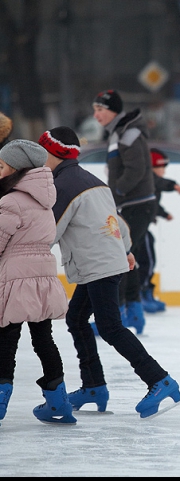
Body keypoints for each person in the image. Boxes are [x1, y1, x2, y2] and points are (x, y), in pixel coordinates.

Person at [40, 126, 180, 418]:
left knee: (110, 327)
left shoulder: (65, 185)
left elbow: (50, 231)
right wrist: (126, 250)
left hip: (99, 265)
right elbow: (117, 222)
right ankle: (93, 386)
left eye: (42, 151)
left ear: (55, 153)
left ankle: (159, 380)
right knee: (77, 319)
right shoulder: (91, 180)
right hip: (105, 261)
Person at [0, 139, 74, 425]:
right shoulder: (46, 202)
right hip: (43, 278)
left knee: (6, 340)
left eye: (2, 166)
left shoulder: (10, 201)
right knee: (44, 340)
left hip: (16, 280)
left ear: (17, 170)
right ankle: (59, 403)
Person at [92, 89, 155, 333]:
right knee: (127, 257)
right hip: (134, 203)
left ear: (113, 111)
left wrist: (115, 193)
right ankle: (133, 313)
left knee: (119, 257)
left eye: (100, 109)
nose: (96, 115)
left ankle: (114, 318)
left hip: (135, 204)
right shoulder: (120, 132)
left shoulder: (128, 132)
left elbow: (135, 169)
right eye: (94, 110)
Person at [137, 148, 180, 313]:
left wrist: (163, 214)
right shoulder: (147, 179)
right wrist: (173, 185)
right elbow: (159, 183)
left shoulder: (148, 182)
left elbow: (153, 205)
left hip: (142, 227)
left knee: (147, 258)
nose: (163, 171)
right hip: (138, 228)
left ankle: (145, 292)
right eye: (161, 167)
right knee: (147, 260)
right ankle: (140, 294)